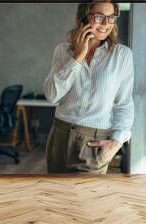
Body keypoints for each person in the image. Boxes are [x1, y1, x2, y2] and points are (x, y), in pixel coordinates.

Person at [43, 2, 134, 174]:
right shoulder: (63, 51)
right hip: (59, 136)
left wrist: (116, 142)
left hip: (93, 142)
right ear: (84, 16)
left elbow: (124, 104)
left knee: (87, 199)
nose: (106, 24)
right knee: (56, 198)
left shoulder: (122, 55)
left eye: (111, 18)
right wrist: (77, 57)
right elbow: (51, 96)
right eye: (99, 16)